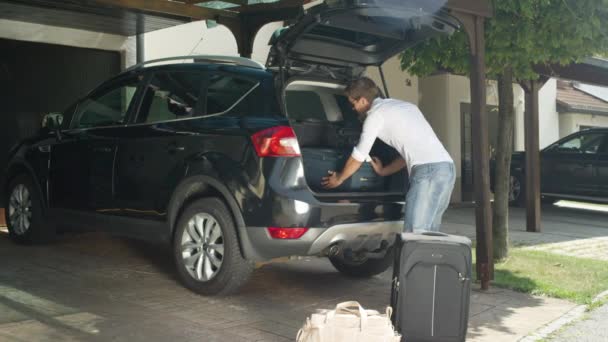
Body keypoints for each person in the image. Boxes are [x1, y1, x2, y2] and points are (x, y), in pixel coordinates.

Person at [322, 77, 455, 232]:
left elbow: (359, 155)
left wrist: (339, 178)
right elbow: (409, 153)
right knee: (430, 232)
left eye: (353, 104)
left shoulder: (375, 116)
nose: (353, 108)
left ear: (363, 100)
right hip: (447, 169)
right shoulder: (406, 106)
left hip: (428, 173)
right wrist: (384, 171)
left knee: (415, 233)